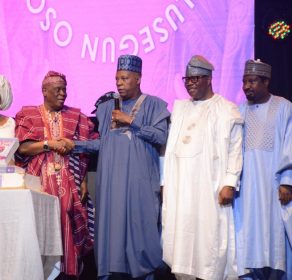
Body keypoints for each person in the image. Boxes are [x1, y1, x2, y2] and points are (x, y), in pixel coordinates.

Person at [74, 55, 170, 280]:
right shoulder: (107, 108)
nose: (119, 82)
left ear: (137, 79)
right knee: (111, 228)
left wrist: (131, 121)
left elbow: (160, 136)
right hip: (111, 180)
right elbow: (103, 143)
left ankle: (147, 274)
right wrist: (74, 145)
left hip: (141, 181)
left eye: (125, 78)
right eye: (117, 78)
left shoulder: (154, 104)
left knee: (142, 227)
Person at [161, 55, 243, 280]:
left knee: (208, 237)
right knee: (181, 235)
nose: (190, 83)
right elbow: (169, 150)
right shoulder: (180, 108)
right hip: (180, 184)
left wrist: (230, 182)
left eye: (196, 79)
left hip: (210, 183)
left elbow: (235, 149)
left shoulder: (226, 109)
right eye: (188, 79)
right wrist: (165, 182)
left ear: (209, 79)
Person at [15, 71, 96, 279]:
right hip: (39, 185)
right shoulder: (29, 114)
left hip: (70, 183)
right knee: (41, 229)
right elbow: (22, 149)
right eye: (57, 90)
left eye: (64, 90)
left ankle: (68, 272)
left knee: (70, 226)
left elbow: (88, 147)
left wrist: (84, 179)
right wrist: (48, 144)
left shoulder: (76, 116)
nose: (63, 94)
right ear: (44, 91)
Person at [233, 59, 292, 279]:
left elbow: (290, 144)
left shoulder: (284, 107)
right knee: (248, 240)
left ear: (266, 81)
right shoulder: (239, 111)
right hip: (246, 191)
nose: (246, 86)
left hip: (274, 187)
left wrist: (287, 180)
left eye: (252, 81)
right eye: (244, 81)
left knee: (275, 238)